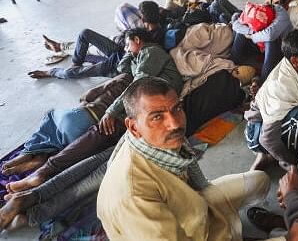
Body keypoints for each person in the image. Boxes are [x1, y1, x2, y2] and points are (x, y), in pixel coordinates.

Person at [6, 29, 183, 194]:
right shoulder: (138, 58)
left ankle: (43, 169)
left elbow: (138, 84)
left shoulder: (152, 51)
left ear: (138, 40)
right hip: (143, 105)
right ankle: (44, 164)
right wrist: (129, 54)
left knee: (98, 129)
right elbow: (123, 70)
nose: (126, 48)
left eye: (128, 44)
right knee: (99, 132)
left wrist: (111, 111)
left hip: (152, 104)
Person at [96, 77, 270, 240]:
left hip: (190, 205)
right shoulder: (134, 197)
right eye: (157, 117)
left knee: (259, 180)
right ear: (133, 127)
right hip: (180, 224)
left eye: (177, 108)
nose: (175, 124)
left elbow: (199, 183)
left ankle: (225, 228)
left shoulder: (148, 141)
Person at [1, 74, 131, 176]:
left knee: (51, 116)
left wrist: (85, 101)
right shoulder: (142, 96)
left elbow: (88, 95)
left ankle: (28, 152)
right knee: (59, 138)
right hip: (87, 138)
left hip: (82, 116)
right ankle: (41, 158)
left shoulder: (125, 77)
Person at [244, 29, 298, 171]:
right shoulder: (280, 86)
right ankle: (271, 156)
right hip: (258, 135)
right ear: (295, 60)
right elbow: (267, 139)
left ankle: (270, 155)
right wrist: (292, 162)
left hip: (271, 129)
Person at [28, 29, 125, 80]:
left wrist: (51, 72)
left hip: (115, 66)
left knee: (69, 73)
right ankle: (75, 62)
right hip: (120, 52)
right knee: (85, 33)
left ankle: (51, 72)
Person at [231, 3, 293, 82]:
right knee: (239, 21)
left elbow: (269, 35)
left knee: (269, 39)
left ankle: (263, 80)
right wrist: (251, 31)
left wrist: (252, 36)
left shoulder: (281, 16)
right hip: (260, 45)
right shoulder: (256, 12)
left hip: (279, 49)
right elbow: (235, 25)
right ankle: (234, 60)